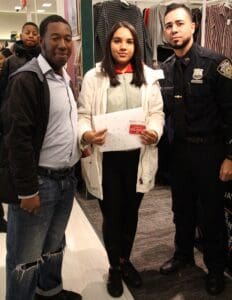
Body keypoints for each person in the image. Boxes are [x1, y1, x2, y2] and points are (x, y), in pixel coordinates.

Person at [78, 21, 164, 298]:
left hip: (138, 158)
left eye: (128, 41)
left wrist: (155, 131)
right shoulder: (94, 77)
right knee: (112, 216)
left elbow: (157, 113)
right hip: (107, 162)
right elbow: (82, 115)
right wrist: (87, 134)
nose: (123, 46)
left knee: (131, 215)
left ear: (136, 46)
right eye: (117, 41)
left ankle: (126, 261)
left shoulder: (149, 77)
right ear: (109, 43)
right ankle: (114, 266)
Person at [1, 15, 81, 300]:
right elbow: (16, 140)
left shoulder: (64, 77)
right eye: (55, 37)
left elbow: (59, 125)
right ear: (42, 41)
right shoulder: (27, 78)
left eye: (67, 38)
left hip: (66, 179)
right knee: (25, 257)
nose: (63, 44)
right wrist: (27, 190)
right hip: (40, 182)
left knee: (54, 245)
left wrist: (80, 142)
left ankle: (49, 291)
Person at [159, 3, 232, 296]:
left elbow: (231, 113)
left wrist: (230, 156)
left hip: (211, 153)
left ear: (193, 27)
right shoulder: (163, 70)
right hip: (179, 154)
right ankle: (183, 255)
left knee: (212, 213)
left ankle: (216, 269)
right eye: (168, 25)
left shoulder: (217, 63)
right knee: (182, 208)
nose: (174, 29)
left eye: (179, 23)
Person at [0, 21, 40, 100]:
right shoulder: (10, 61)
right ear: (21, 36)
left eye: (34, 34)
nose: (31, 36)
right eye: (27, 33)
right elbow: (3, 87)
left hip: (37, 103)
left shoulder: (42, 59)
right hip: (14, 104)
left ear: (38, 38)